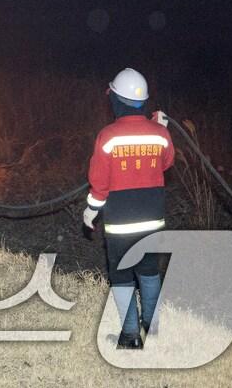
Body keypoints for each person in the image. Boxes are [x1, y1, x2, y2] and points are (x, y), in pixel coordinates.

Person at [83, 67, 173, 349]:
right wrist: (162, 128)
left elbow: (99, 183)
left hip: (121, 224)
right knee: (149, 271)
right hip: (152, 221)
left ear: (116, 100)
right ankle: (154, 331)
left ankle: (130, 336)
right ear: (143, 101)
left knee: (121, 275)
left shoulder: (107, 136)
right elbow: (166, 162)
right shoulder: (159, 133)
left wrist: (91, 210)